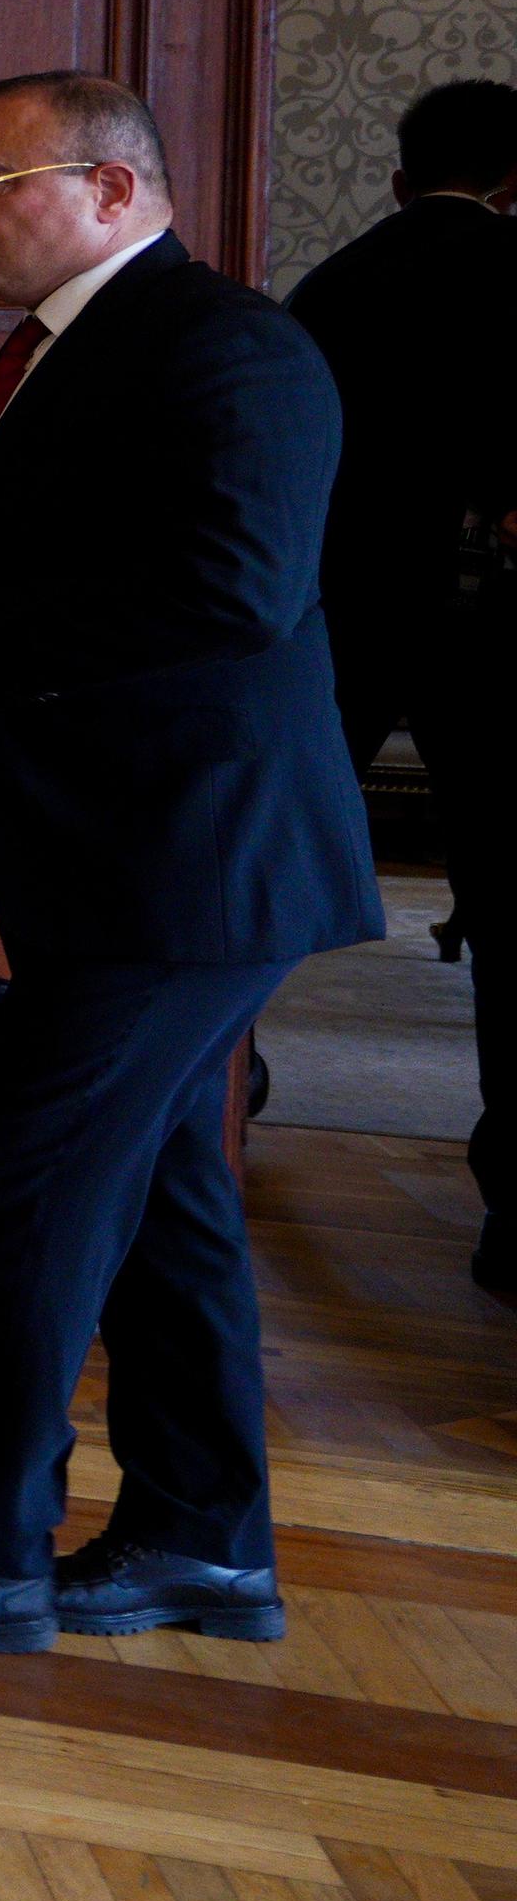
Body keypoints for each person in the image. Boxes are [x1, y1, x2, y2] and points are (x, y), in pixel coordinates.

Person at [0, 71, 381, 1654]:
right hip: (107, 858)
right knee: (168, 1200)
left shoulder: (234, 350)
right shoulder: (52, 352)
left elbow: (231, 593)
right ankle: (202, 1535)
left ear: (115, 187)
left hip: (193, 866)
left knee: (20, 1197)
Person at [285, 76, 517, 1294]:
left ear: (394, 174)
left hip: (340, 607)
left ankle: (227, 1089)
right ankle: (514, 1209)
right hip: (490, 628)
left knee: (266, 861)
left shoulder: (329, 286)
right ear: (513, 182)